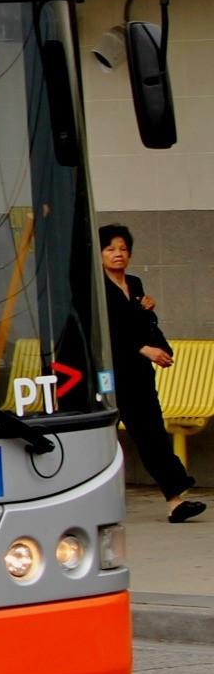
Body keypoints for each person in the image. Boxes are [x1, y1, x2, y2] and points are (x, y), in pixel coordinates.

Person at [100, 224, 205, 523]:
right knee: (103, 438)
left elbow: (143, 325)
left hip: (138, 376)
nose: (117, 254)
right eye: (110, 249)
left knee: (152, 435)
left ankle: (175, 501)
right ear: (100, 254)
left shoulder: (134, 283)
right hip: (109, 375)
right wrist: (143, 350)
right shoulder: (95, 287)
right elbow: (107, 332)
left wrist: (156, 341)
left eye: (122, 249)